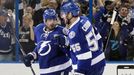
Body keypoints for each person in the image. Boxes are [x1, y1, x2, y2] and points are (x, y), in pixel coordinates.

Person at [61, 2, 106, 75]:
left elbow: (84, 56)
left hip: (90, 67)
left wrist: (80, 72)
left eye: (64, 14)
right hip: (100, 61)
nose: (63, 16)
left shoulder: (74, 33)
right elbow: (98, 38)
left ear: (70, 14)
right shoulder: (84, 19)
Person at [23, 8, 72, 75]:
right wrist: (32, 56)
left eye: (54, 19)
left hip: (62, 70)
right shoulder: (38, 30)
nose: (52, 22)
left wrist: (66, 42)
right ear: (44, 20)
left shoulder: (62, 31)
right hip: (45, 72)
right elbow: (39, 48)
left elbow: (72, 50)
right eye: (49, 20)